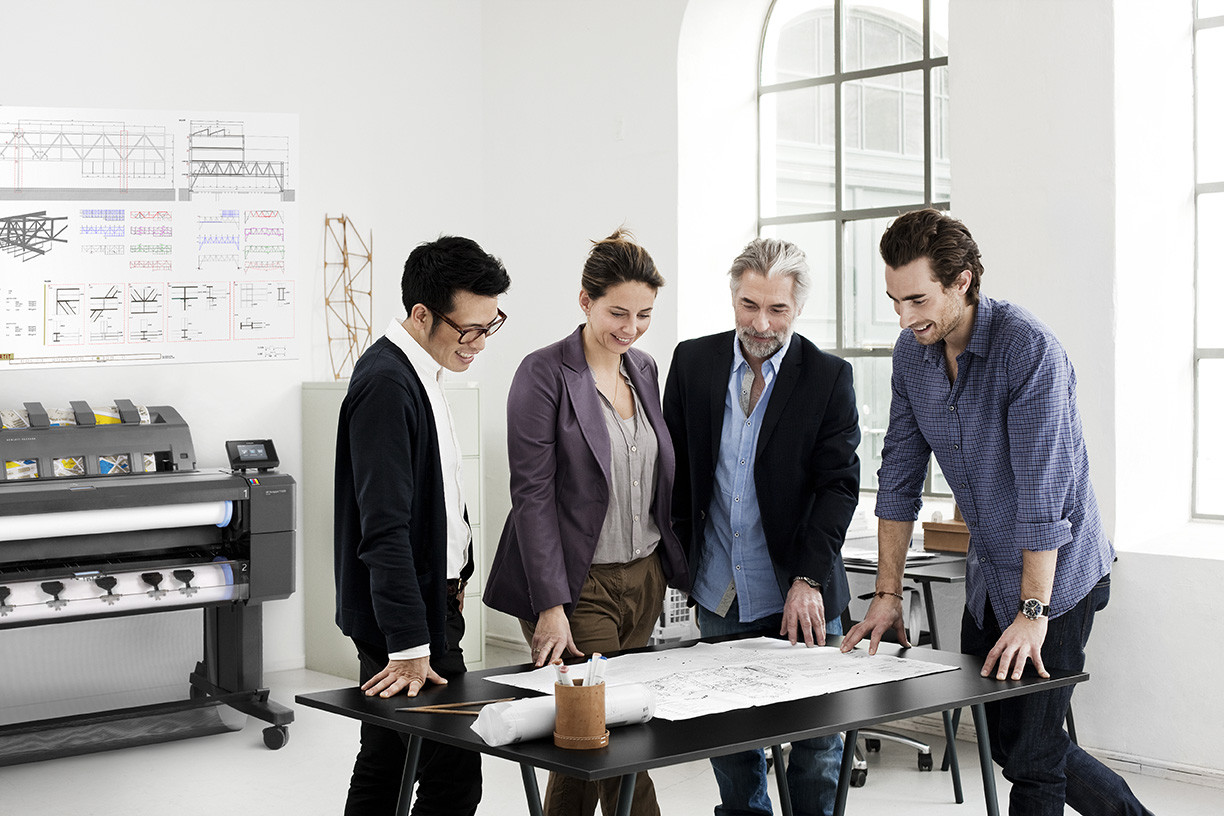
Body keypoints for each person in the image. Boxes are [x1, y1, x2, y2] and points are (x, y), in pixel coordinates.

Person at [841, 208, 1151, 816]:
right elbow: (899, 480)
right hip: (990, 574)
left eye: (917, 299)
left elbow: (1044, 499)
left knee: (1033, 761)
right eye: (894, 300)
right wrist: (885, 594)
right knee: (1009, 742)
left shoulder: (1027, 351)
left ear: (963, 281)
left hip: (1055, 579)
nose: (904, 318)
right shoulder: (913, 354)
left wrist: (1032, 612)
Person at [485, 229, 690, 816]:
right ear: (585, 300)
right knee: (617, 746)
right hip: (576, 587)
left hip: (641, 580)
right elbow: (531, 493)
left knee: (581, 744)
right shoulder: (543, 372)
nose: (630, 327)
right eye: (617, 312)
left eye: (645, 314)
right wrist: (551, 605)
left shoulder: (645, 369)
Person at [662, 237, 860, 816]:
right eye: (749, 305)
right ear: (733, 296)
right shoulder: (693, 363)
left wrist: (810, 579)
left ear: (798, 309)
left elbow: (838, 488)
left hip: (801, 590)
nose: (761, 323)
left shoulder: (828, 377)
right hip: (720, 589)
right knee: (729, 737)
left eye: (778, 310)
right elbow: (673, 472)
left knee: (818, 740)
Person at [333, 235, 511, 816]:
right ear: (421, 314)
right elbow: (382, 528)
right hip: (408, 625)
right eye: (471, 330)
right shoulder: (387, 384)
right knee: (443, 772)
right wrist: (409, 647)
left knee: (400, 761)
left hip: (429, 607)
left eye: (491, 326)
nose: (480, 343)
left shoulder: (422, 370)